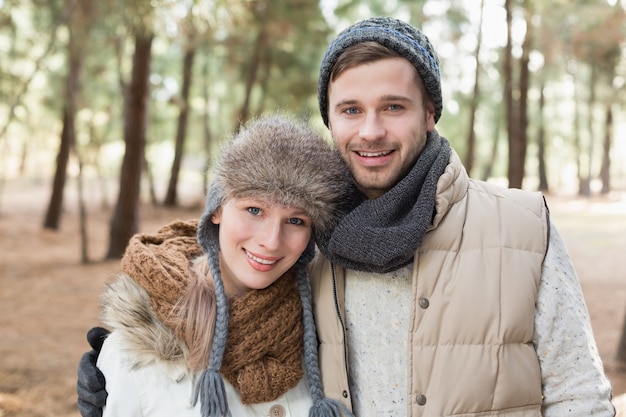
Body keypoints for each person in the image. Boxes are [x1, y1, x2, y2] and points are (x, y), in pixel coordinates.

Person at [78, 17, 616, 417]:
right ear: (331, 119)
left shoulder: (523, 227)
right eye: (351, 110)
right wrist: (134, 363)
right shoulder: (307, 242)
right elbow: (225, 282)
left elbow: (581, 397)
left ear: (430, 112)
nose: (371, 131)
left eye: (394, 107)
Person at [81, 114, 355, 417]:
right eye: (254, 209)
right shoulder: (134, 349)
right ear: (217, 211)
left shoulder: (323, 326)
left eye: (295, 220)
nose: (272, 241)